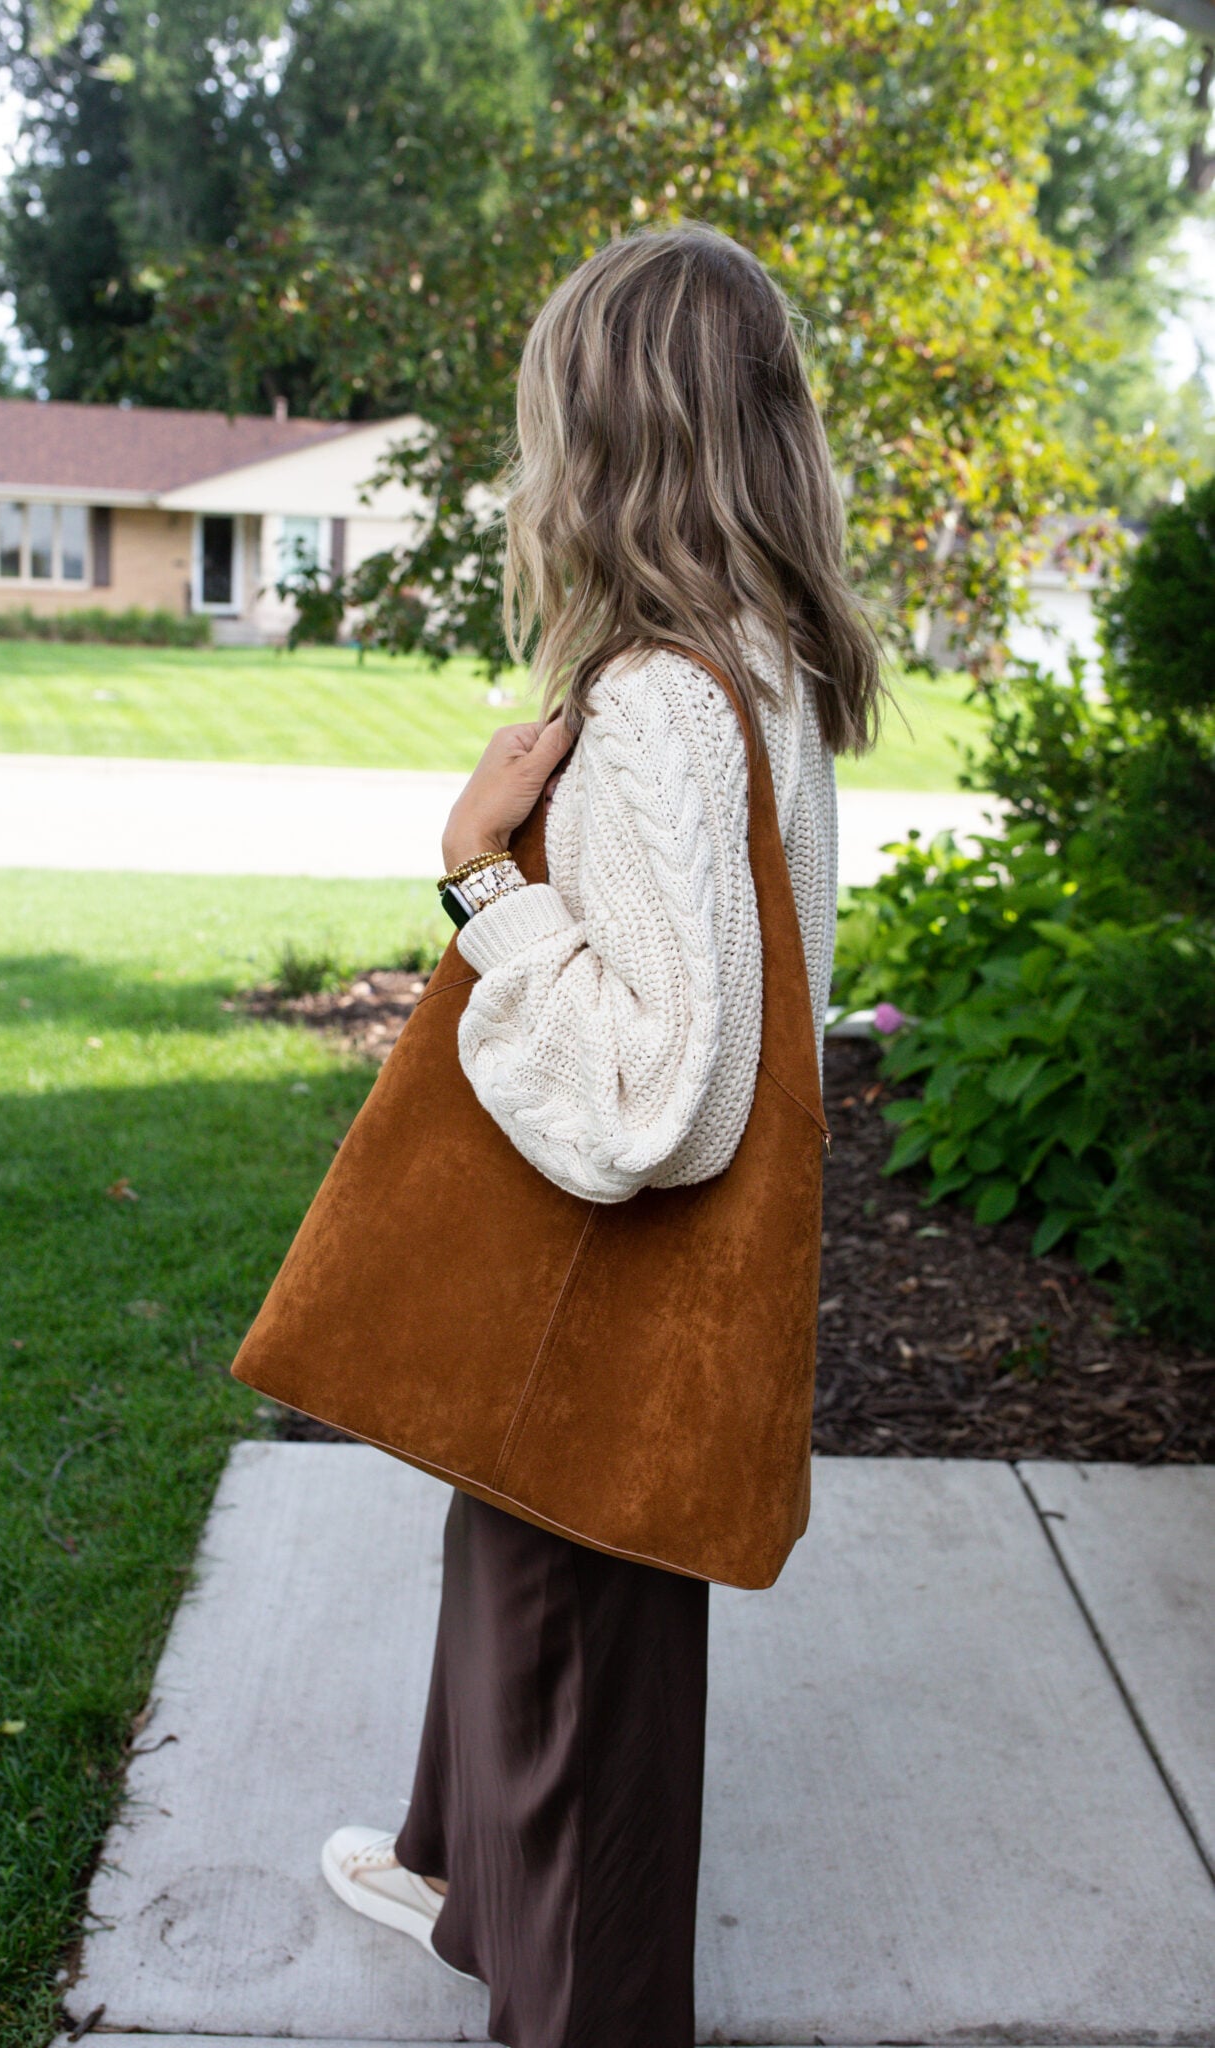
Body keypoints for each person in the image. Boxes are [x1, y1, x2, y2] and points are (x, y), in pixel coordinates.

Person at [318, 223, 882, 2047]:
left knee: (574, 1656)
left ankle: (579, 1996)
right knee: (531, 1577)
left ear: (604, 439)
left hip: (614, 1273)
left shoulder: (652, 706)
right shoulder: (764, 657)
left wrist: (481, 881)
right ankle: (456, 1870)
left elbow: (656, 1103)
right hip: (640, 1295)